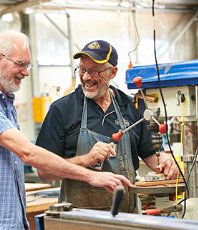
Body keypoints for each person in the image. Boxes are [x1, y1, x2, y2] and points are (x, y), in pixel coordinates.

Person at [0, 31, 132, 230]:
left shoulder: (5, 102)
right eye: (20, 64)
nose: (26, 72)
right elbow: (27, 152)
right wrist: (90, 175)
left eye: (28, 65)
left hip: (3, 222)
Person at [36, 40, 179, 213]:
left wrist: (165, 162)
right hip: (79, 219)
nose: (87, 77)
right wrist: (85, 160)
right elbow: (44, 171)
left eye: (95, 71)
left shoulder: (132, 107)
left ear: (113, 72)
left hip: (126, 217)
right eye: (82, 69)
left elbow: (152, 156)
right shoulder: (62, 110)